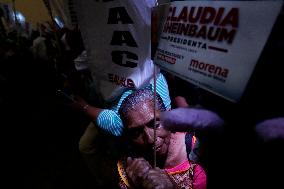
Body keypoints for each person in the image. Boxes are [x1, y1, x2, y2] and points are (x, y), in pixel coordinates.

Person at [117, 89, 207, 189]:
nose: (150, 139)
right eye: (136, 133)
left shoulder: (197, 156)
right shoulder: (129, 166)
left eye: (156, 125)